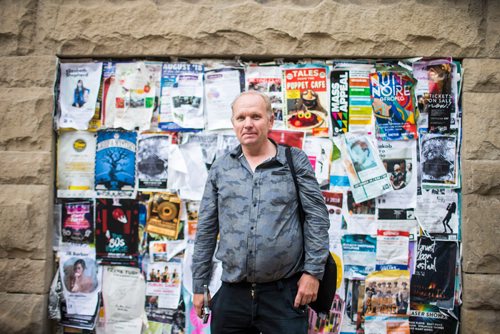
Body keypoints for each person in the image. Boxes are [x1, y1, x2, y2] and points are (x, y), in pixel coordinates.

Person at [192, 91, 330, 333]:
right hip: (232, 294)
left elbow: (317, 218)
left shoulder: (293, 161)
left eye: (255, 116)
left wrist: (313, 273)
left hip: (284, 296)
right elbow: (206, 228)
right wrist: (199, 285)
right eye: (241, 117)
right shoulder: (221, 168)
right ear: (233, 123)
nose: (248, 124)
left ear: (270, 120)